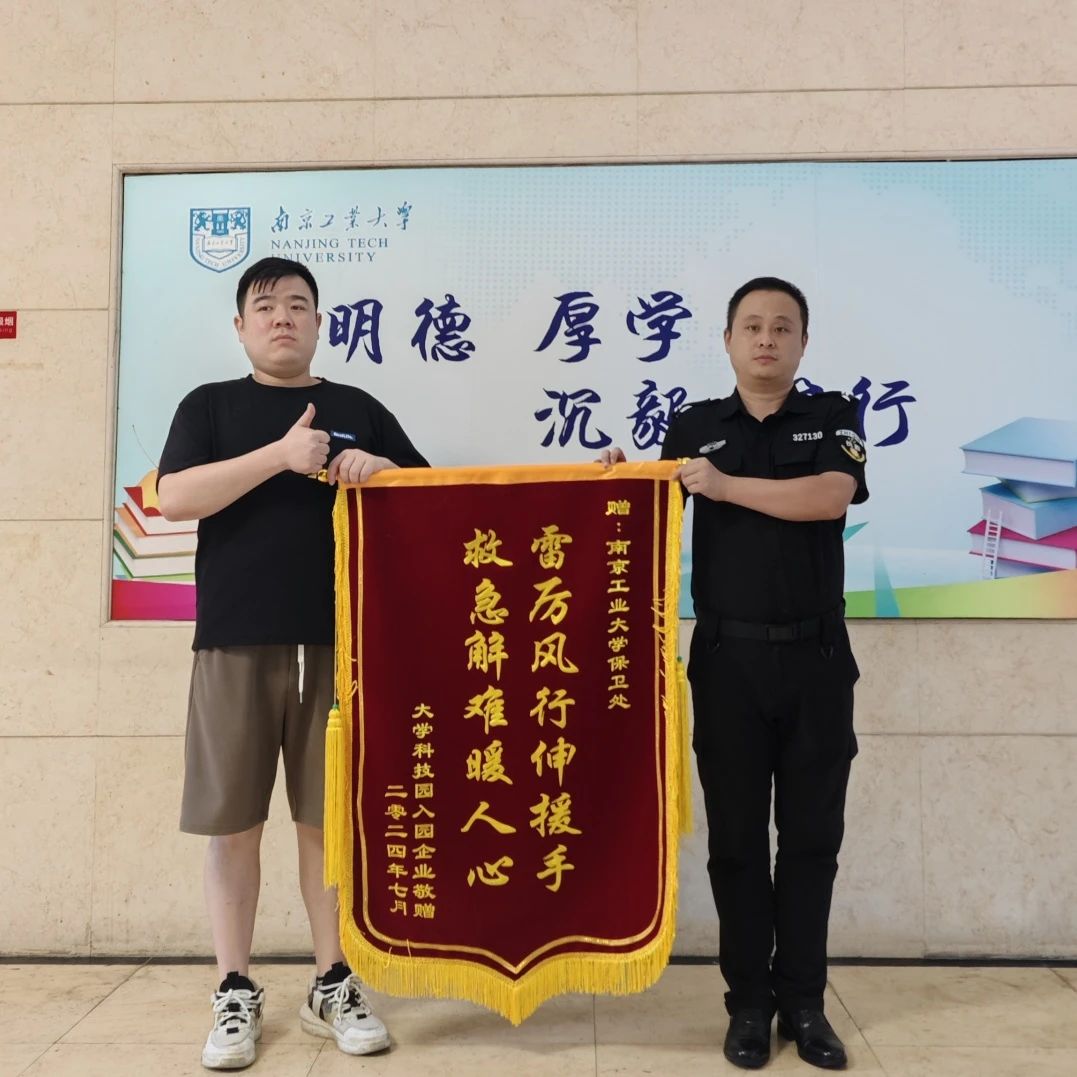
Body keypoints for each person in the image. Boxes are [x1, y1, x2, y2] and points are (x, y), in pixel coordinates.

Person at [157, 256, 429, 1070]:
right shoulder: (209, 405)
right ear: (240, 326)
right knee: (233, 824)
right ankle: (233, 986)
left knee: (325, 822)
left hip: (339, 648)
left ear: (319, 323)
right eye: (266, 305)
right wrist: (280, 455)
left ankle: (331, 981)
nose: (283, 317)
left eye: (298, 305)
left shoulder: (358, 408)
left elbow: (429, 495)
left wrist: (380, 471)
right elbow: (174, 497)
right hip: (233, 642)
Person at [602, 277, 866, 1071]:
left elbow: (829, 496)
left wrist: (720, 485)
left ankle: (805, 1003)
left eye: (781, 327)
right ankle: (748, 1003)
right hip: (725, 663)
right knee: (737, 842)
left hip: (817, 660)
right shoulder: (693, 427)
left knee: (812, 839)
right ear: (726, 341)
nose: (765, 339)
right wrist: (616, 479)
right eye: (751, 326)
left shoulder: (832, 416)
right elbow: (649, 514)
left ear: (802, 343)